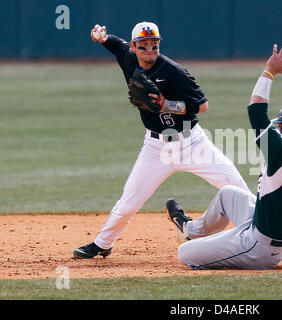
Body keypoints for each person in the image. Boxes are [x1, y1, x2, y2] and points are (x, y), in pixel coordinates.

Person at [73, 22, 249, 259]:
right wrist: (102, 38)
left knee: (238, 189)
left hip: (192, 143)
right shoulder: (128, 57)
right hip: (155, 147)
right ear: (134, 46)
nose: (150, 49)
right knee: (129, 201)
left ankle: (260, 236)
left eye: (154, 44)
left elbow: (203, 106)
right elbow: (116, 45)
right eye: (144, 45)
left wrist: (168, 105)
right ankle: (103, 243)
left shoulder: (175, 72)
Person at [166, 43, 282, 269]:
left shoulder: (281, 153)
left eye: (281, 126)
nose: (277, 129)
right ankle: (190, 231)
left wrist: (269, 71)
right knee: (228, 194)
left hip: (260, 247)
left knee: (185, 255)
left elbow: (256, 110)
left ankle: (221, 252)